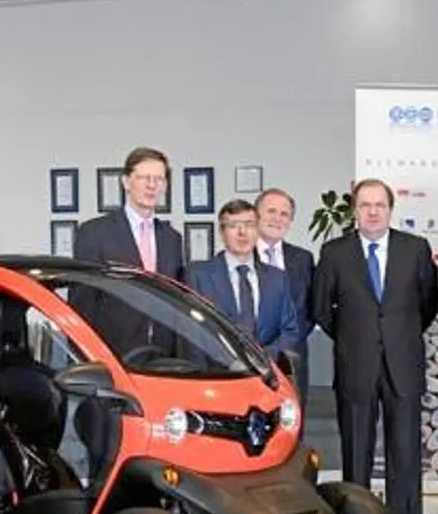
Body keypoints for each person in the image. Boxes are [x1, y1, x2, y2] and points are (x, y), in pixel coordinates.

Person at [311, 179, 438, 514]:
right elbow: (322, 310)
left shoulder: (414, 249)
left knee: (406, 460)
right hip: (356, 367)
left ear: (390, 208)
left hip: (402, 366)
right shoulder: (334, 253)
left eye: (379, 205)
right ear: (354, 210)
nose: (372, 212)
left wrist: (394, 337)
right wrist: (357, 340)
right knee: (357, 461)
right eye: (365, 205)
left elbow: (428, 304)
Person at [72, 146, 184, 363]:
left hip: (163, 359)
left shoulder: (172, 238)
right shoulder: (95, 232)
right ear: (126, 182)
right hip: (112, 357)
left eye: (159, 179)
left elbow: (175, 304)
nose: (152, 185)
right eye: (144, 178)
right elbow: (83, 304)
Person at [184, 199, 302, 360]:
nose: (242, 232)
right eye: (233, 226)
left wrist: (263, 359)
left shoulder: (277, 278)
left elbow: (290, 331)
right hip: (215, 375)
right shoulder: (198, 275)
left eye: (249, 224)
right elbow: (192, 333)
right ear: (222, 232)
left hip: (266, 376)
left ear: (257, 229)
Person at [254, 188, 315, 398]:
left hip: (292, 361)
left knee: (294, 425)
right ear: (256, 215)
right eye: (271, 211)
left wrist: (285, 343)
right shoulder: (237, 254)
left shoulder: (303, 259)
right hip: (248, 361)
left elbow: (311, 309)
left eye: (284, 214)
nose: (277, 219)